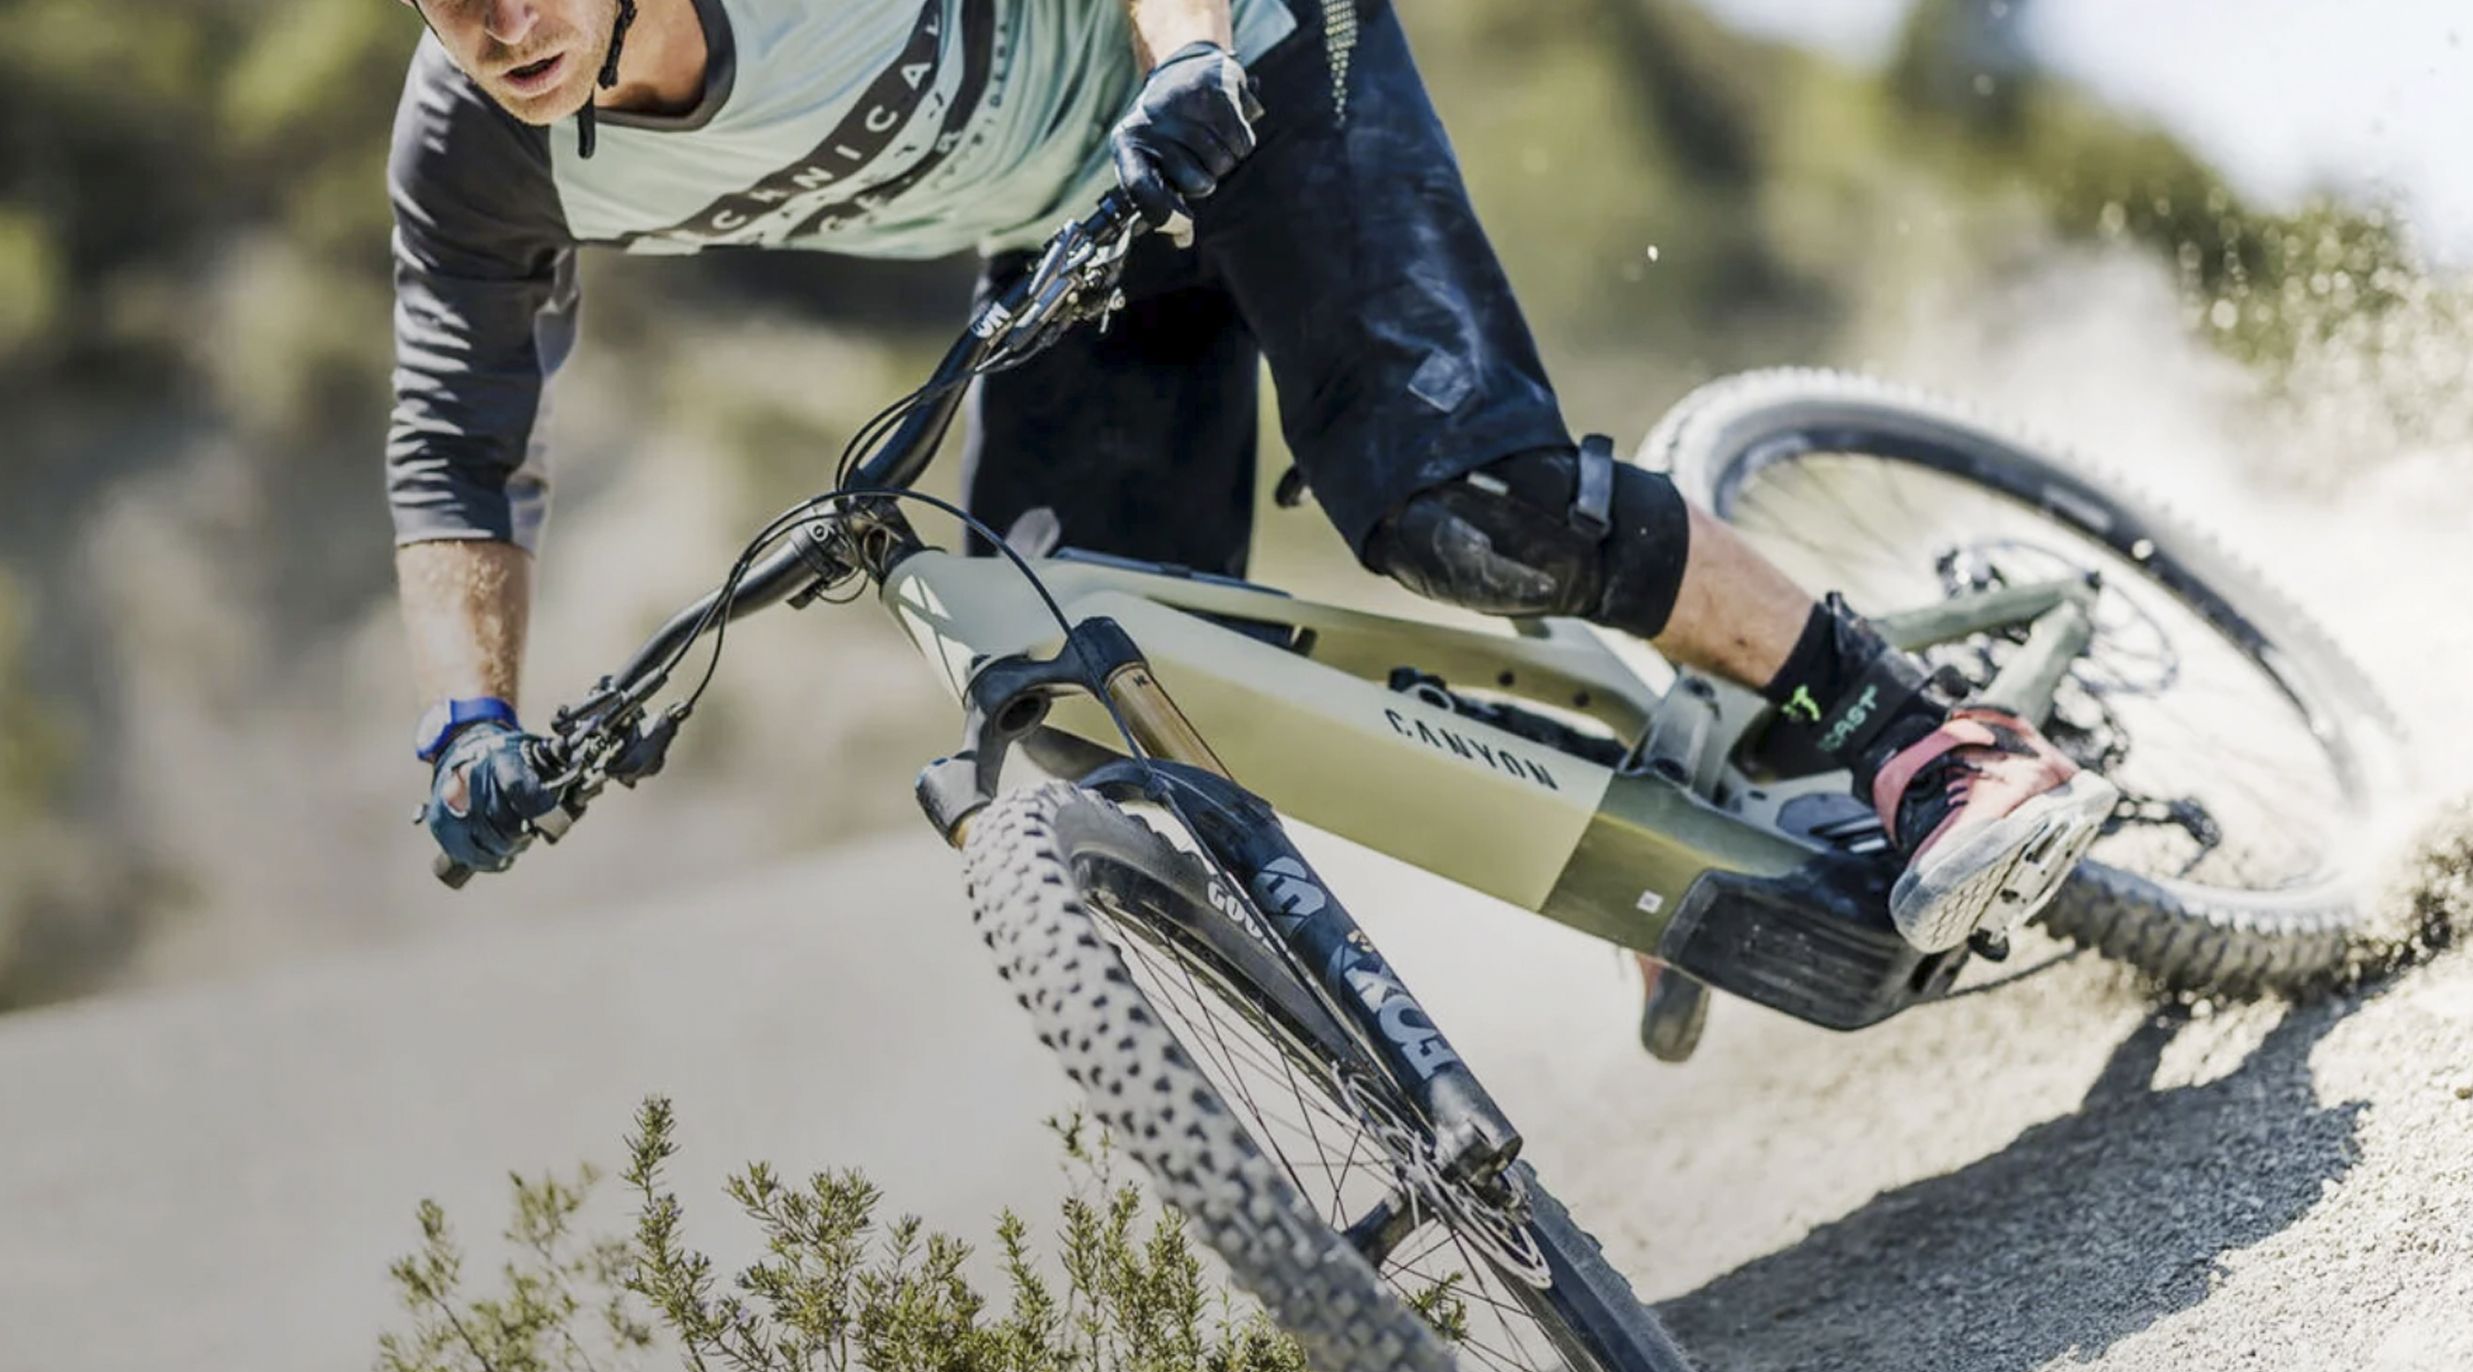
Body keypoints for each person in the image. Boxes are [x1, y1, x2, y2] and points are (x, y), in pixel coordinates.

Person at [388, 0, 2116, 983]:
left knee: (1465, 504)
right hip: (1078, 227)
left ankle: (1914, 730)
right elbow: (455, 443)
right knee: (1077, 682)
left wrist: (1187, 56)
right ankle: (1620, 867)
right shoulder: (479, 156)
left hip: (1244, 53)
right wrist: (471, 718)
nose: (500, 26)